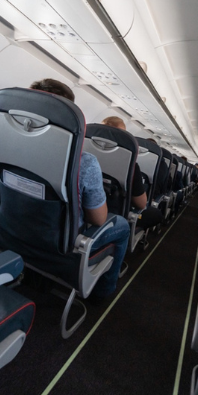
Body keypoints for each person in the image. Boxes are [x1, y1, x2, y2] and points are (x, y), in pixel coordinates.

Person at [30, 79, 131, 300]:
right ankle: (103, 292)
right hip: (59, 242)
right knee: (122, 225)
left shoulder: (3, 145)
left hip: (13, 229)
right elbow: (98, 219)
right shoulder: (84, 162)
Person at [100, 116, 162, 229]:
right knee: (155, 214)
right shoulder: (130, 165)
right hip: (113, 216)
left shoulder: (81, 153)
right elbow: (141, 204)